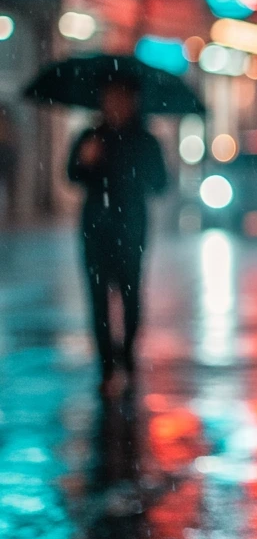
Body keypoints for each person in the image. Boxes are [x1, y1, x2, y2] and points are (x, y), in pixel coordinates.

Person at [68, 75, 168, 394]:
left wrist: (138, 170)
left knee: (130, 294)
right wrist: (86, 160)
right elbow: (71, 174)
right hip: (95, 226)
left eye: (122, 98)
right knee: (97, 298)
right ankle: (106, 365)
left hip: (132, 226)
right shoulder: (90, 136)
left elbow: (161, 183)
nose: (115, 105)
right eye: (110, 98)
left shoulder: (145, 139)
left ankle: (126, 355)